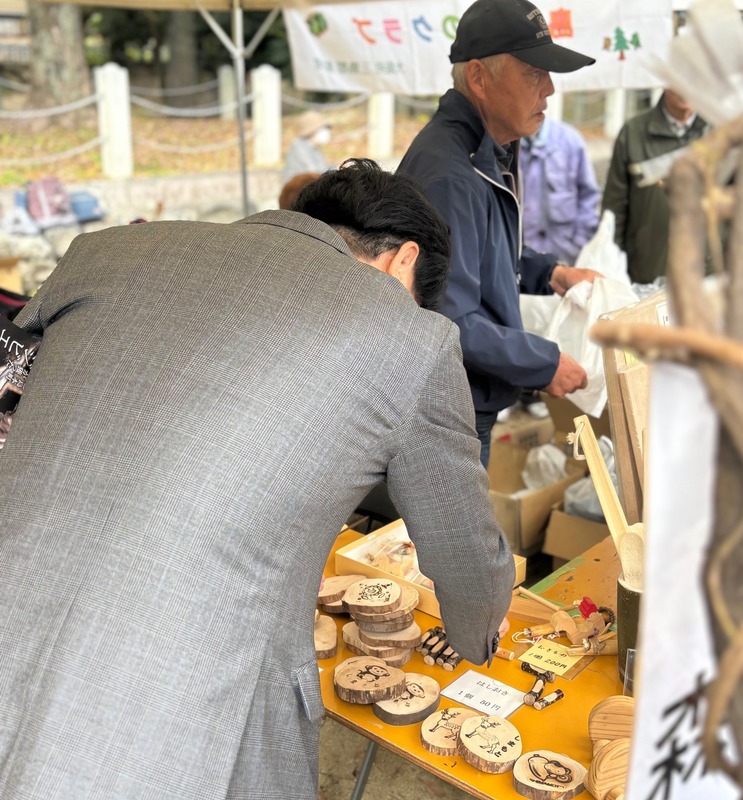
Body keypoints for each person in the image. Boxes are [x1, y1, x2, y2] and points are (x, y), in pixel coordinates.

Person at [0, 159, 516, 800]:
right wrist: (475, 632)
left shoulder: (102, 251)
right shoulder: (413, 336)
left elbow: (10, 399)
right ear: (403, 262)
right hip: (166, 715)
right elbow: (464, 551)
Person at [397, 0, 602, 467]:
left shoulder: (486, 150)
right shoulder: (451, 175)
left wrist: (551, 273)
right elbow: (446, 320)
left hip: (464, 404)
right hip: (448, 414)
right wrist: (544, 363)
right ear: (478, 77)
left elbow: (482, 251)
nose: (549, 89)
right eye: (534, 73)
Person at [601, 88, 709, 284]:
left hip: (708, 275)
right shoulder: (633, 133)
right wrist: (611, 267)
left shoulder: (721, 132)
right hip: (647, 274)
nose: (685, 86)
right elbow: (613, 208)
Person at [519, 117, 600, 264]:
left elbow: (588, 197)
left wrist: (579, 243)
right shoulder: (506, 143)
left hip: (566, 255)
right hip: (521, 257)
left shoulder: (570, 140)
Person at [282, 110, 332, 184]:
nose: (327, 132)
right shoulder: (299, 148)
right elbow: (316, 173)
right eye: (323, 129)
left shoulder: (315, 148)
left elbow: (324, 168)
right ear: (311, 131)